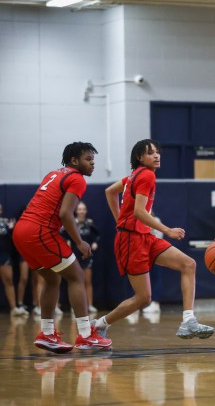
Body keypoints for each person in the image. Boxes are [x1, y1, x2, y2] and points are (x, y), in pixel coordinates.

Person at [93, 139, 214, 340]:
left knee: (188, 264)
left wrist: (120, 220)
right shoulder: (146, 175)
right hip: (132, 240)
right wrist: (168, 230)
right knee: (143, 298)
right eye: (150, 153)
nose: (156, 155)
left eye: (157, 152)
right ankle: (99, 325)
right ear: (139, 157)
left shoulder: (133, 176)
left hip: (143, 236)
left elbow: (110, 192)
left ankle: (188, 321)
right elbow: (140, 212)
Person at [12, 142, 111, 353]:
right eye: (88, 159)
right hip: (39, 231)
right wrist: (79, 242)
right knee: (76, 276)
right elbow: (65, 214)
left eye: (94, 159)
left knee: (52, 278)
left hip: (21, 230)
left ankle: (47, 334)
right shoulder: (76, 178)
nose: (93, 163)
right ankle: (85, 335)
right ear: (74, 161)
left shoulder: (53, 173)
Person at [61, 201, 100, 314]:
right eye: (79, 209)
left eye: (83, 209)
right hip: (74, 256)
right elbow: (63, 235)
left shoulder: (90, 223)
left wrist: (95, 243)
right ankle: (76, 307)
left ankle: (90, 304)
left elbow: (97, 235)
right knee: (76, 281)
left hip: (87, 256)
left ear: (86, 211)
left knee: (88, 281)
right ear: (76, 211)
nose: (82, 211)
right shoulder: (71, 223)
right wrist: (67, 242)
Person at [0, 204, 28, 316]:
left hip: (4, 255)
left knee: (8, 280)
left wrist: (12, 229)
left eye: (0, 208)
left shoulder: (6, 222)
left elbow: (13, 237)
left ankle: (14, 308)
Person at [142, 211, 164, 315]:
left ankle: (155, 304)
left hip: (155, 253)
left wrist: (149, 228)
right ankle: (139, 303)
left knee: (156, 277)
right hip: (142, 254)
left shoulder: (156, 220)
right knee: (143, 279)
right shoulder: (138, 220)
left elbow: (159, 237)